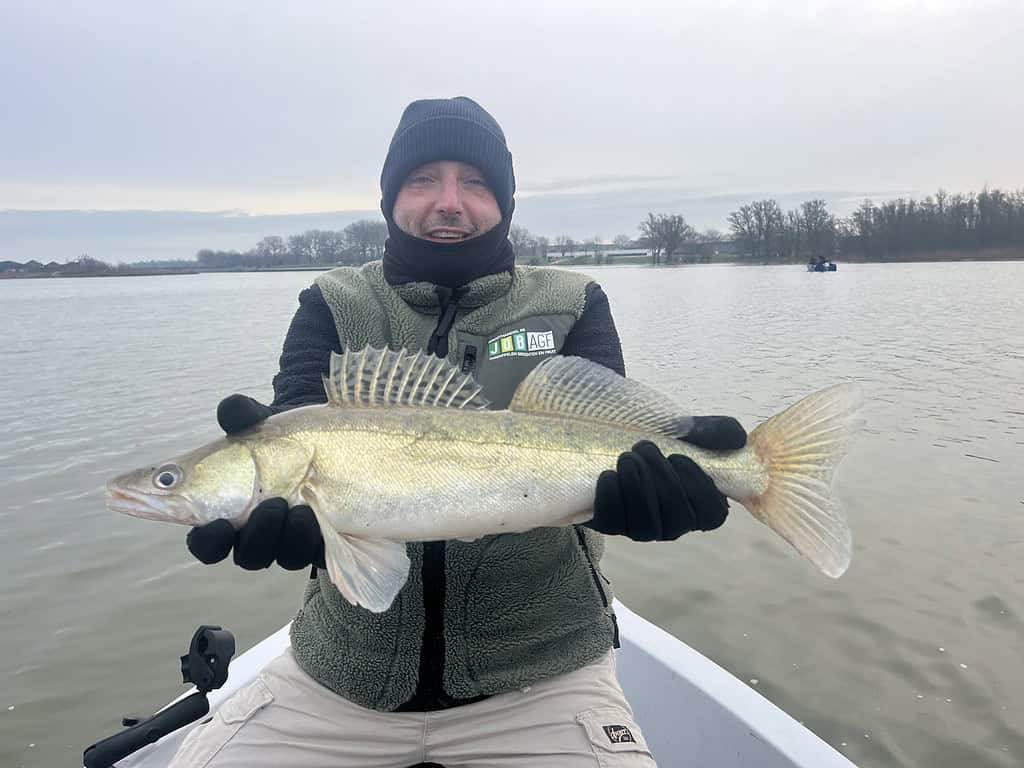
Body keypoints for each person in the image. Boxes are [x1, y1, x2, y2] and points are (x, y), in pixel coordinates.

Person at [172, 96, 746, 768]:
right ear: (390, 199)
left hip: (544, 675)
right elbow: (302, 408)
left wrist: (655, 488)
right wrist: (294, 517)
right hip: (340, 673)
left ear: (503, 202)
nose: (449, 201)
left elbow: (603, 424)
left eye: (474, 183)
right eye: (422, 180)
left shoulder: (572, 298)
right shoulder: (333, 300)